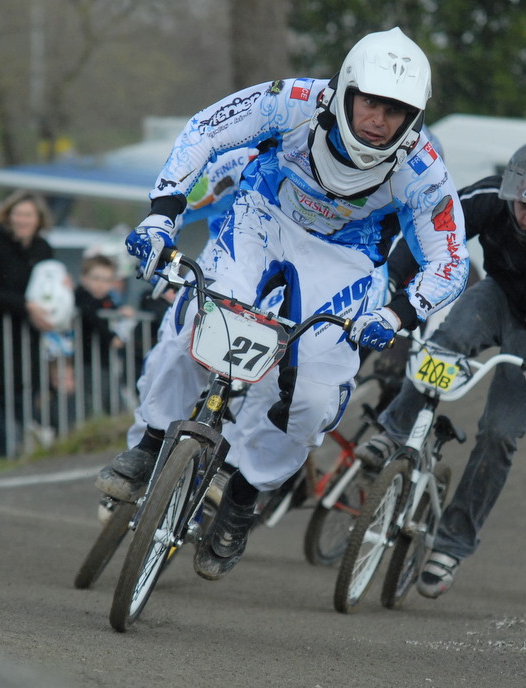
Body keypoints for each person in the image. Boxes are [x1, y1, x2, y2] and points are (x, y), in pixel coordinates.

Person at [95, 27, 468, 582]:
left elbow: (450, 259)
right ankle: (152, 442)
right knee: (200, 327)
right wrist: (162, 213)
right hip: (261, 221)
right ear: (344, 91)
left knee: (312, 396)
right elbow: (204, 132)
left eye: (397, 110)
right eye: (370, 102)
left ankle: (242, 498)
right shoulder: (291, 101)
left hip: (345, 260)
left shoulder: (423, 166)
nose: (379, 119)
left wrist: (394, 316)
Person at [354, 134, 526, 599]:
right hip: (498, 296)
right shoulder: (489, 198)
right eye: (520, 203)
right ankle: (393, 433)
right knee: (445, 345)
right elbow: (430, 231)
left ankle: (451, 545)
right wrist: (395, 284)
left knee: (500, 433)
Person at [0, 190, 58, 457]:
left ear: (38, 219)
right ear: (9, 216)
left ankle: (18, 450)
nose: (23, 219)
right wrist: (25, 305)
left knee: (23, 391)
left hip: (27, 335)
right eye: (18, 214)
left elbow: (49, 283)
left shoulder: (43, 248)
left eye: (28, 215)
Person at [74, 254, 135, 415]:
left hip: (103, 362)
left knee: (112, 402)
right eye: (96, 278)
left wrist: (120, 312)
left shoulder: (107, 299)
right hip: (85, 362)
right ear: (84, 278)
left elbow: (107, 311)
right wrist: (111, 338)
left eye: (107, 280)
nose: (101, 284)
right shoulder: (81, 296)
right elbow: (92, 316)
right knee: (95, 405)